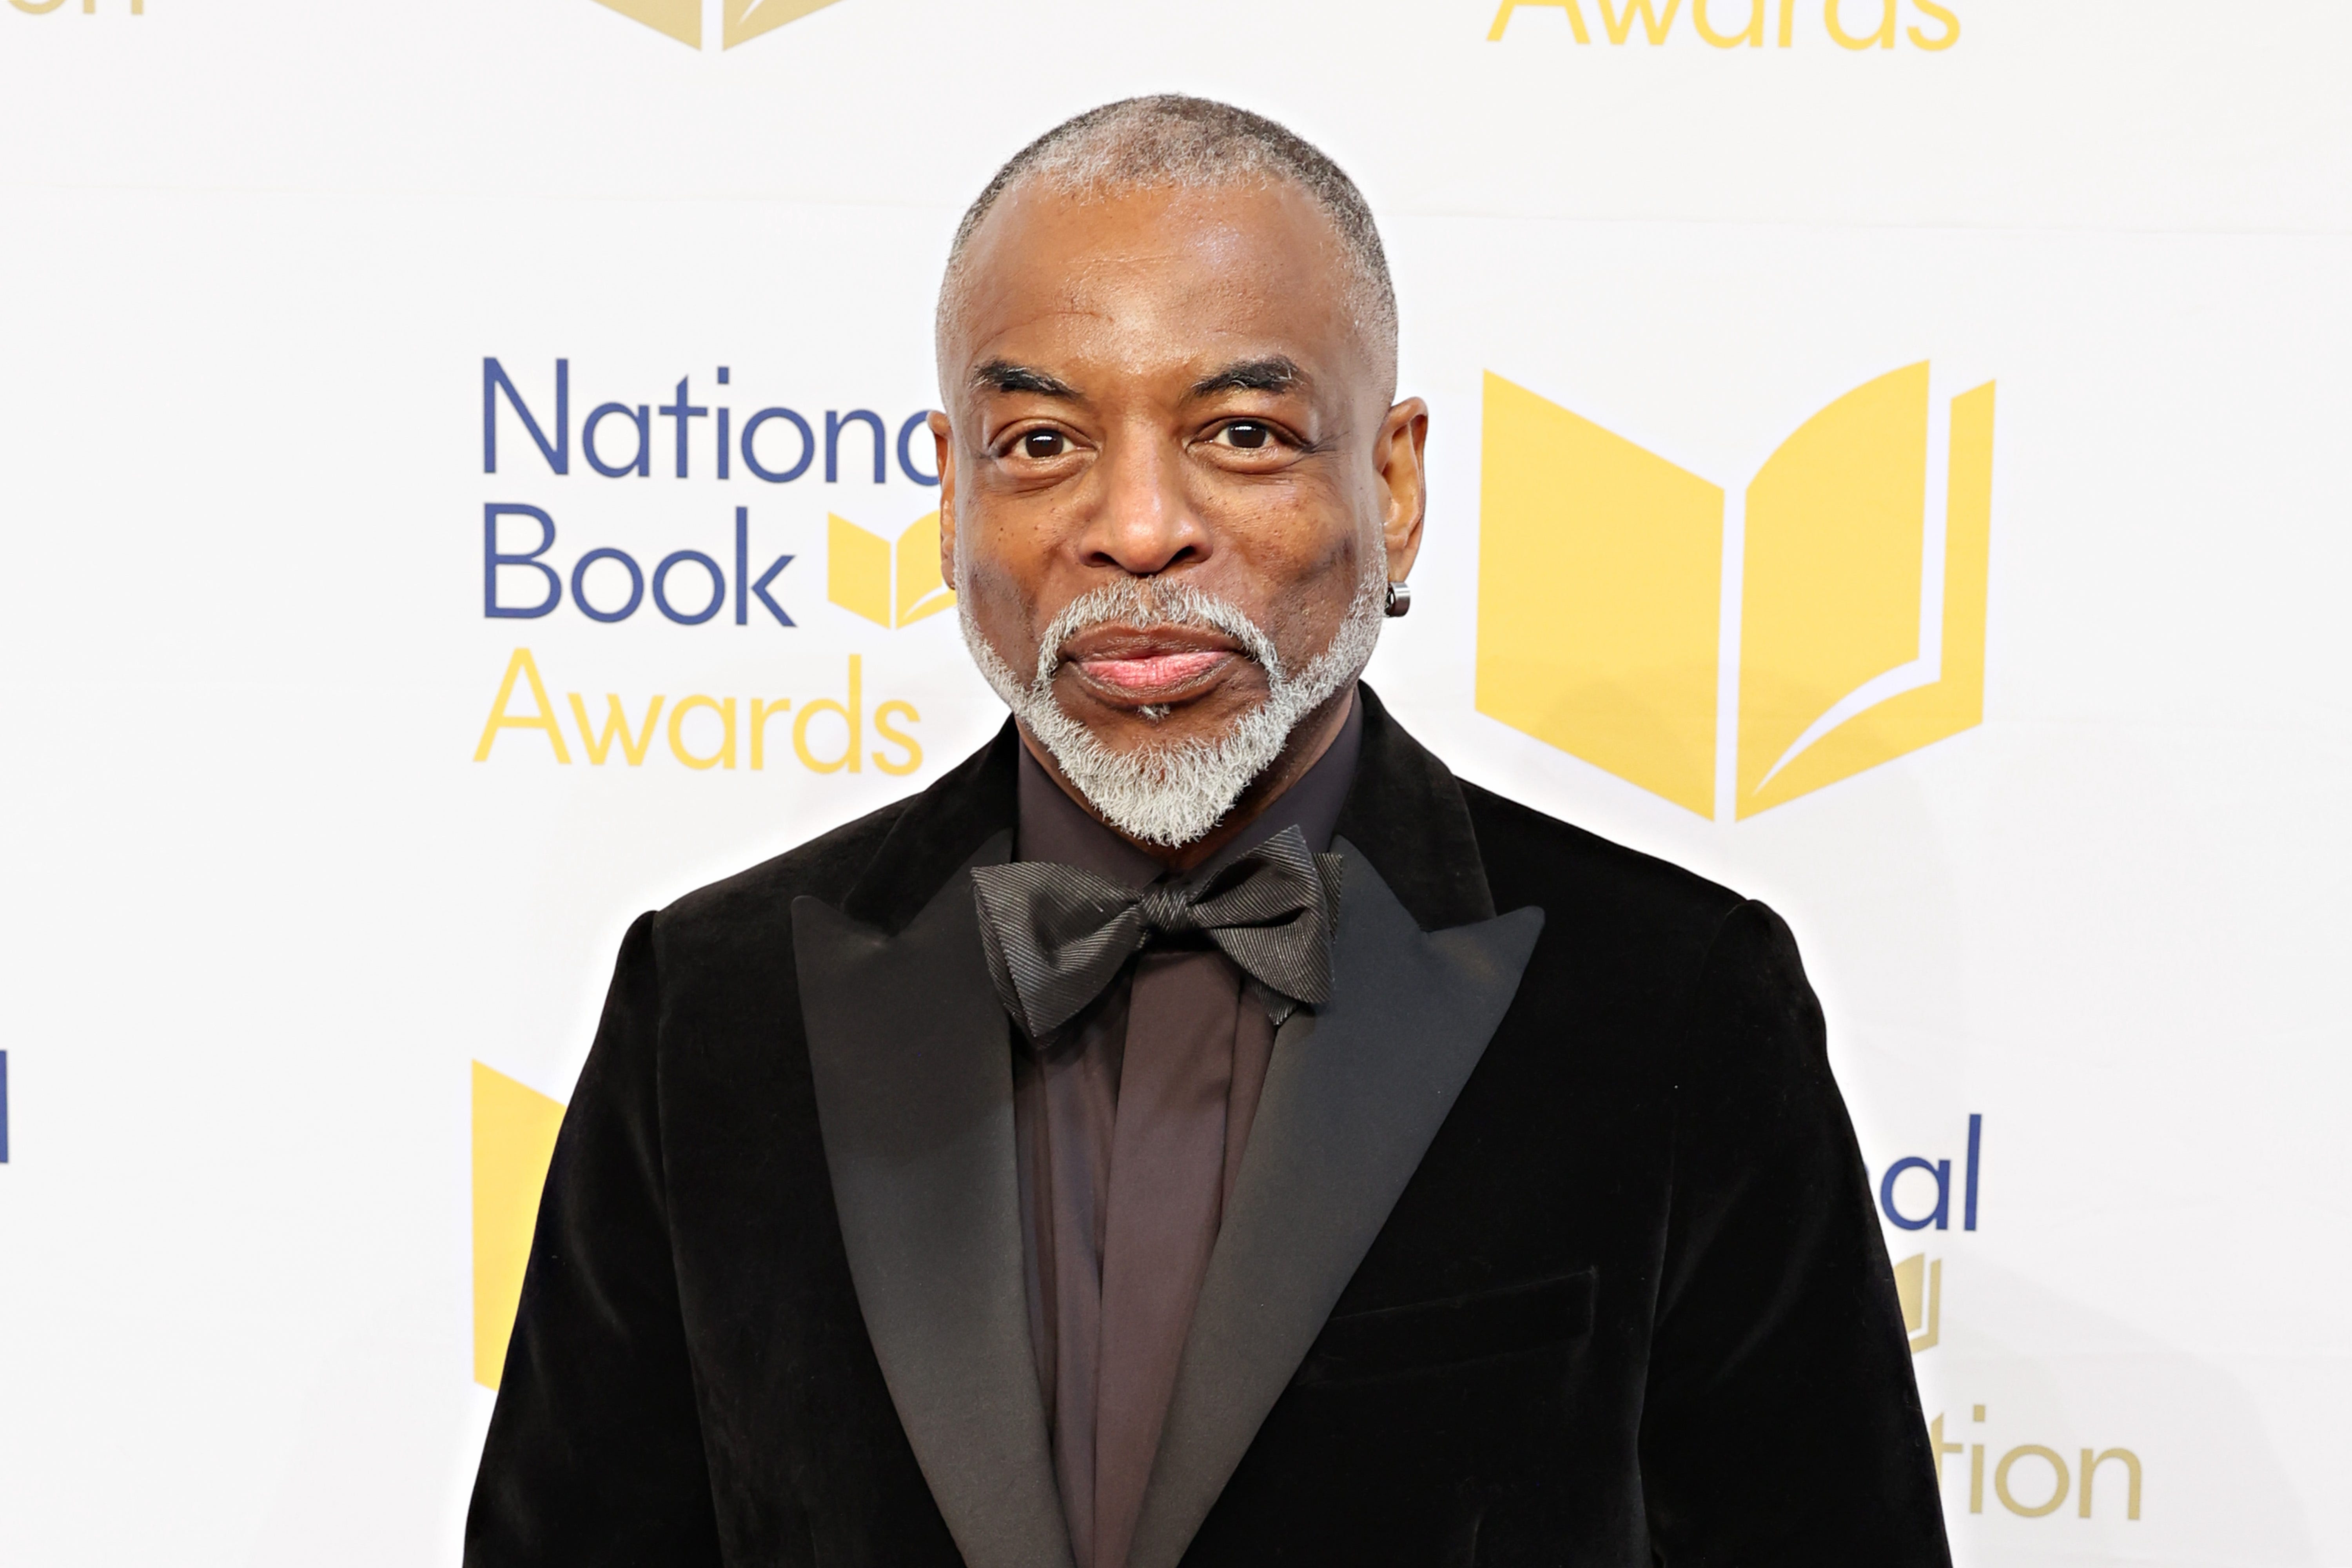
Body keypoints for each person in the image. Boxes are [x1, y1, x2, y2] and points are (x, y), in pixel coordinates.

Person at [466, 95, 1951, 1568]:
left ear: (1394, 480)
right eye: (1041, 440)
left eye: (1242, 432)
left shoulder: (1670, 1000)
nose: (1135, 526)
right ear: (952, 496)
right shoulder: (715, 1006)